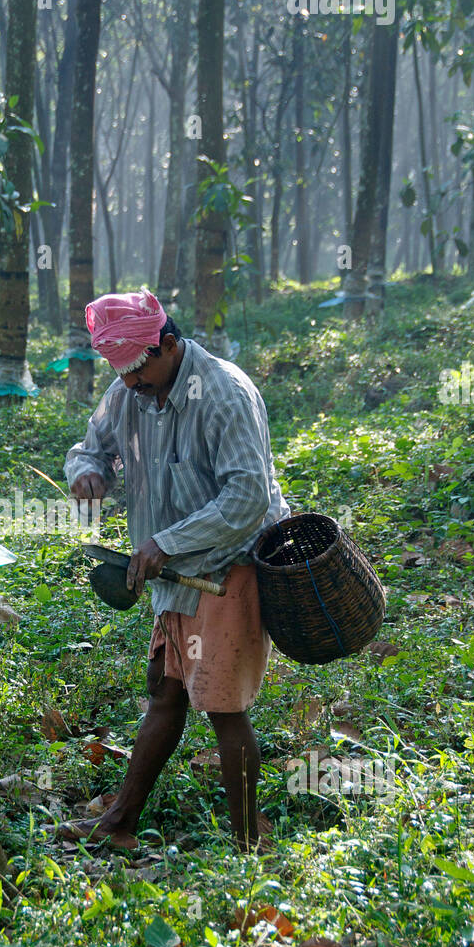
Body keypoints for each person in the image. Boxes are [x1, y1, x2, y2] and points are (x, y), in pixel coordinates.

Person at [60, 287, 289, 852]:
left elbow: (247, 499)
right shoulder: (128, 391)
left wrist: (168, 540)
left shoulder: (225, 394)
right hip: (171, 574)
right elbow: (92, 448)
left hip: (225, 569)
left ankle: (247, 844)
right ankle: (120, 821)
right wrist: (88, 472)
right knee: (165, 693)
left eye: (138, 369)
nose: (130, 382)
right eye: (121, 372)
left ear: (167, 344)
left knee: (223, 708)